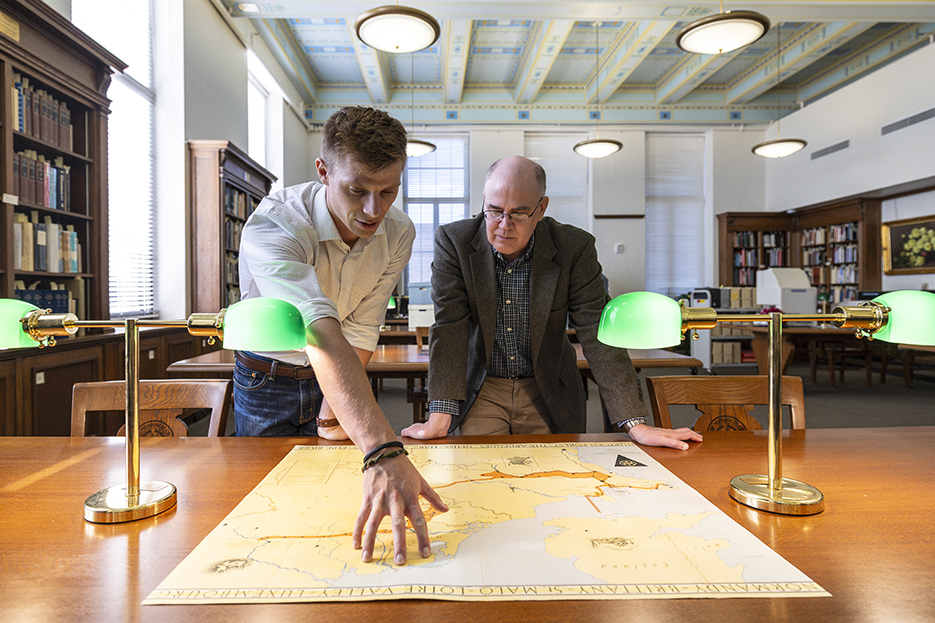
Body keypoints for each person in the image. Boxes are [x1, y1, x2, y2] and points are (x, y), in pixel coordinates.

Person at [235, 106, 447, 565]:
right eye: (357, 190)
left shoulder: (399, 232)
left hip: (340, 372)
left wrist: (335, 410)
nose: (374, 210)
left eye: (388, 191)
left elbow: (361, 325)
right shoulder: (275, 223)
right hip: (267, 379)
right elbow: (317, 325)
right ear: (323, 171)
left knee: (330, 511)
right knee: (267, 511)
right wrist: (382, 449)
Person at [402, 156, 701, 450]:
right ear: (483, 200)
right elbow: (450, 325)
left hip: (547, 387)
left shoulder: (574, 247)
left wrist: (635, 422)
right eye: (494, 211)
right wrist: (440, 415)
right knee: (480, 478)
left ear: (541, 207)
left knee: (557, 481)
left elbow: (599, 333)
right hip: (483, 385)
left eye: (519, 213)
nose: (504, 225)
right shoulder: (454, 241)